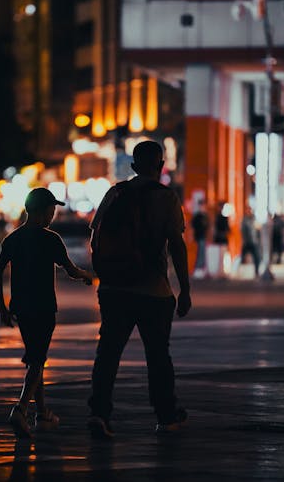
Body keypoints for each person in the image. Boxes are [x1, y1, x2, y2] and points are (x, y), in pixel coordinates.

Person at [87, 140, 191, 438]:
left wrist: (107, 275)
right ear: (160, 166)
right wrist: (184, 289)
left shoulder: (115, 192)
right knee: (158, 355)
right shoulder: (166, 197)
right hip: (153, 291)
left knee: (107, 353)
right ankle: (166, 414)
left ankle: (99, 413)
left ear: (133, 167)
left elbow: (95, 240)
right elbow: (177, 245)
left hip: (114, 290)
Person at [0, 187, 94, 438]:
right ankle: (21, 408)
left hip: (21, 309)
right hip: (44, 308)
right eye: (51, 210)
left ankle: (43, 413)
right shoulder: (50, 239)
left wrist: (2, 308)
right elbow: (70, 269)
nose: (53, 215)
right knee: (37, 360)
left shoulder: (13, 239)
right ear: (42, 212)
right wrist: (86, 275)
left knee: (36, 358)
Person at [240, 208, 261, 278]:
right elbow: (242, 231)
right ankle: (239, 271)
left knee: (257, 257)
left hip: (254, 241)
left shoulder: (254, 219)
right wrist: (244, 240)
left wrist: (258, 239)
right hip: (247, 241)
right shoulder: (245, 220)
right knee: (242, 256)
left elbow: (258, 230)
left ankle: (256, 271)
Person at [190, 200, 208, 279]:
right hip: (199, 236)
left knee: (202, 252)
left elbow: (207, 227)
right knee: (199, 252)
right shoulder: (197, 216)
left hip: (203, 236)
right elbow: (192, 226)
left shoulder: (205, 216)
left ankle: (201, 269)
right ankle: (198, 268)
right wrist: (191, 236)